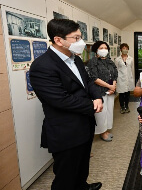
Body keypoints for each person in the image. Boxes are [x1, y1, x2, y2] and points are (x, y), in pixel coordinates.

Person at [29, 19, 103, 190]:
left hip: (84, 124)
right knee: (65, 176)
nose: (81, 42)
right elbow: (59, 99)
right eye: (76, 38)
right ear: (58, 40)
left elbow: (88, 81)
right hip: (66, 130)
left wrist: (97, 96)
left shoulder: (75, 59)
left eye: (80, 37)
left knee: (82, 166)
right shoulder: (42, 66)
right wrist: (91, 104)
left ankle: (82, 186)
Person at [87, 41, 118, 142]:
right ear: (96, 50)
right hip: (99, 91)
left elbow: (114, 74)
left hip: (110, 91)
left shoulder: (110, 61)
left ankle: (106, 130)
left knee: (109, 111)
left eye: (105, 48)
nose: (104, 50)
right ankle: (102, 132)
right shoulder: (93, 61)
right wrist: (109, 86)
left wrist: (113, 86)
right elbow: (94, 78)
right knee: (101, 113)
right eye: (101, 48)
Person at [114, 43, 134, 114]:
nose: (125, 49)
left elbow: (131, 68)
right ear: (121, 50)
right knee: (121, 94)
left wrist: (132, 78)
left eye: (126, 48)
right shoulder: (117, 59)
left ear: (128, 50)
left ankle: (127, 106)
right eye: (123, 48)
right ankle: (122, 107)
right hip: (120, 79)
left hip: (128, 78)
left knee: (127, 94)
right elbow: (116, 69)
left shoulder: (131, 59)